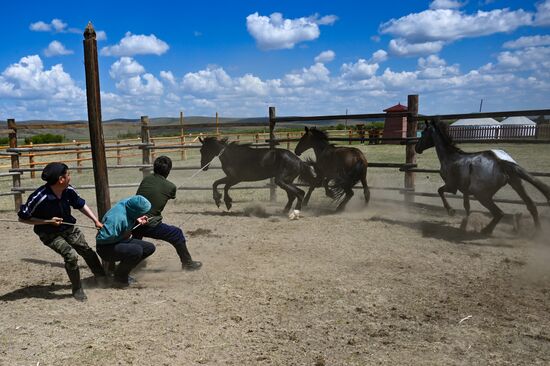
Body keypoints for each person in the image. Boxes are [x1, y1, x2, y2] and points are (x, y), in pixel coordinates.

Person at [17, 162, 106, 301]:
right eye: (68, 174)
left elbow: (80, 204)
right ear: (61, 179)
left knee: (86, 250)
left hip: (68, 227)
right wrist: (47, 221)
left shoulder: (68, 190)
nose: (70, 177)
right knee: (71, 256)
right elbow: (23, 218)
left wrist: (95, 220)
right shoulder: (39, 197)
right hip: (49, 233)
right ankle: (77, 288)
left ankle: (101, 277)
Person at [132, 155, 202, 271]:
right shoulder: (171, 187)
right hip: (149, 224)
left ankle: (132, 263)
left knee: (137, 236)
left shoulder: (146, 179)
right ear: (168, 170)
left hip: (134, 222)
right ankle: (188, 264)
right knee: (177, 234)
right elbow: (170, 195)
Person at [96, 195, 156, 287]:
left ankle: (120, 272)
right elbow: (102, 239)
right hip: (106, 248)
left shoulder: (128, 203)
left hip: (119, 241)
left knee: (149, 248)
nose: (144, 214)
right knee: (136, 250)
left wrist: (137, 218)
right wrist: (124, 235)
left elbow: (130, 215)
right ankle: (120, 278)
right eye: (141, 213)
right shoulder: (117, 219)